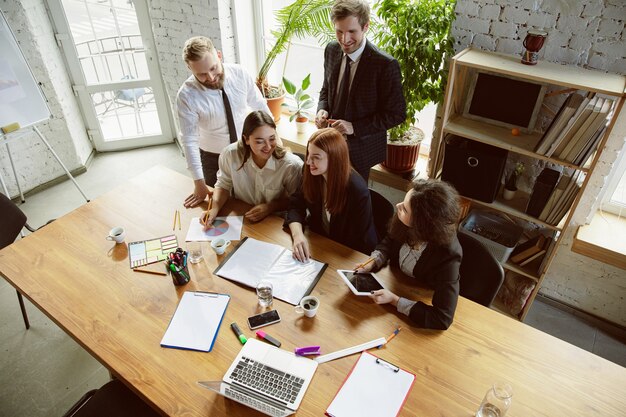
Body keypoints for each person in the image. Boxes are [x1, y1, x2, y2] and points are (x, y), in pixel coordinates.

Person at [316, 0, 406, 181]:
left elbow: (397, 114)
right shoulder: (331, 50)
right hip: (329, 143)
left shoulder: (385, 65)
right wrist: (322, 108)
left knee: (353, 203)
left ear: (366, 27)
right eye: (339, 31)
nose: (344, 39)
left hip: (360, 151)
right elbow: (326, 88)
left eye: (351, 31)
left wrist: (354, 127)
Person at [177, 36, 271, 208]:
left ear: (219, 55)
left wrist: (273, 141)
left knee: (252, 203)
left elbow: (260, 106)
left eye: (213, 68)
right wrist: (199, 182)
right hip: (214, 160)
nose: (211, 77)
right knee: (221, 210)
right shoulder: (186, 96)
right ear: (190, 68)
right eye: (202, 74)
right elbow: (189, 140)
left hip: (248, 151)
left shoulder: (240, 73)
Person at [356, 179, 463, 330]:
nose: (398, 206)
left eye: (405, 209)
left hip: (418, 293)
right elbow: (389, 241)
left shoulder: (448, 255)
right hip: (395, 281)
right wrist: (374, 260)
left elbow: (442, 318)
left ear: (421, 224)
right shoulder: (403, 221)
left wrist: (395, 301)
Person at [285, 128, 377, 262]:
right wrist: (298, 235)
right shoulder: (311, 172)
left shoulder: (357, 190)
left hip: (347, 256)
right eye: (309, 154)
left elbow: (362, 243)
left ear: (334, 158)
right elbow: (295, 205)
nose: (308, 162)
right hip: (319, 245)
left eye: (316, 157)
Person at [201, 111, 303, 227]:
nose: (268, 147)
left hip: (275, 223)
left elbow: (297, 202)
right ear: (246, 140)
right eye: (260, 141)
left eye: (272, 139)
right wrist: (214, 209)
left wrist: (270, 207)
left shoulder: (291, 165)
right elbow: (223, 185)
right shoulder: (230, 155)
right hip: (243, 217)